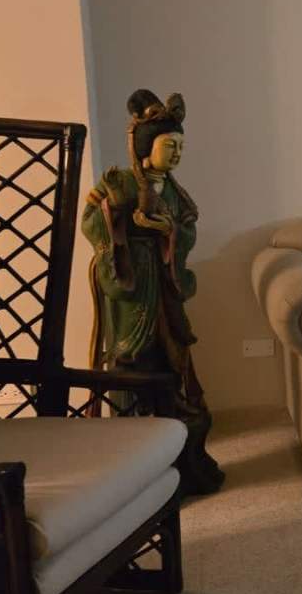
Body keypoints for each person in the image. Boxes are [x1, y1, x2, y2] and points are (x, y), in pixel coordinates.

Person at [81, 88, 224, 493]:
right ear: (146, 148)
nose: (177, 153)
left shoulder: (176, 194)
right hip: (133, 287)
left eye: (180, 146)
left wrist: (171, 232)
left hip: (165, 287)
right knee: (132, 365)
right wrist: (115, 220)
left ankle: (184, 457)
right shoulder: (119, 182)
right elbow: (91, 222)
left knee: (174, 361)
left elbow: (188, 230)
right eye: (169, 145)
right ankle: (136, 464)